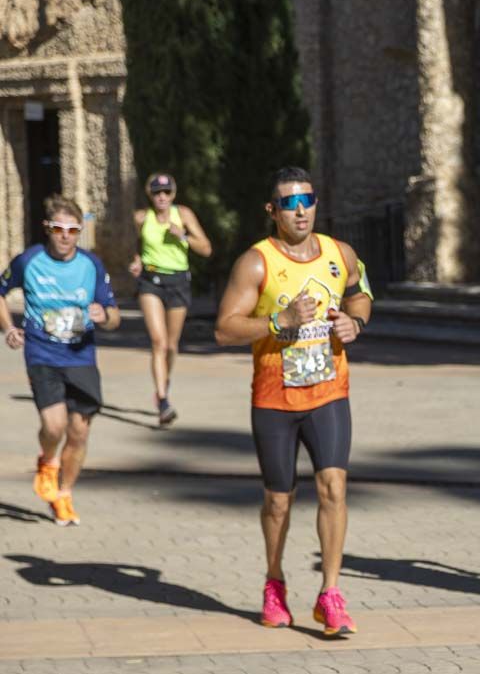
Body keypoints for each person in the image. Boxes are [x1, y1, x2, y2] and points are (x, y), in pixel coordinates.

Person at [214, 167, 372, 636]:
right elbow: (224, 328)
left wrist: (356, 323)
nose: (300, 209)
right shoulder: (256, 263)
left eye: (307, 199)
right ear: (272, 210)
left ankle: (330, 593)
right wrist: (278, 321)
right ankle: (274, 581)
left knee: (333, 488)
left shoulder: (338, 253)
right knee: (279, 502)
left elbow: (361, 295)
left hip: (329, 393)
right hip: (274, 400)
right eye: (288, 202)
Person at [0, 194, 121, 525]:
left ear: (80, 231)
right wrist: (9, 327)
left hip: (81, 357)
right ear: (47, 229)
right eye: (58, 228)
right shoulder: (29, 261)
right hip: (42, 353)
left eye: (72, 230)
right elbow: (1, 291)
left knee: (79, 432)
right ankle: (48, 460)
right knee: (54, 425)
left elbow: (114, 317)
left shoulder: (91, 265)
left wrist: (103, 315)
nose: (65, 236)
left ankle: (64, 495)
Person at [129, 173, 213, 426]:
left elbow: (206, 248)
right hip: (150, 280)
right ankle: (163, 401)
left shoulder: (183, 215)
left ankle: (164, 380)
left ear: (173, 194)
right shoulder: (141, 218)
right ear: (150, 195)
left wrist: (183, 236)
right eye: (157, 193)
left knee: (171, 345)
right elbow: (136, 244)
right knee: (158, 341)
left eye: (166, 192)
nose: (161, 197)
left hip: (177, 282)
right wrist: (135, 260)